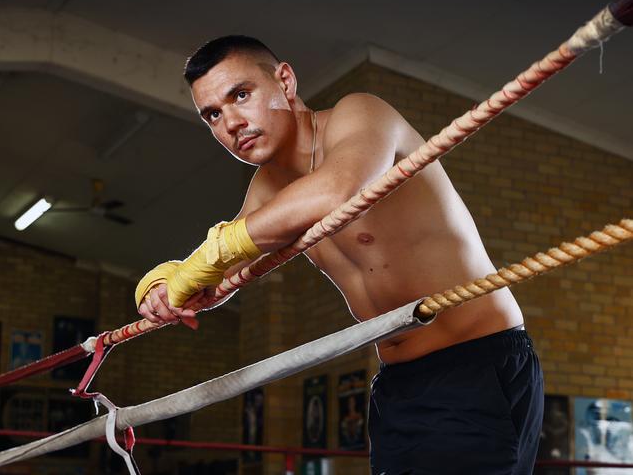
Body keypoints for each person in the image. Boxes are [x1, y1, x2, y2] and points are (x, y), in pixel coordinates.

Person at [134, 35, 543, 474]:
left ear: (285, 81)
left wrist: (206, 259)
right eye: (213, 114)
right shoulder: (267, 191)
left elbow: (337, 190)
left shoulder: (359, 114)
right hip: (398, 384)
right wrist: (161, 287)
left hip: (475, 362)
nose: (230, 122)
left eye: (240, 95)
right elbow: (222, 271)